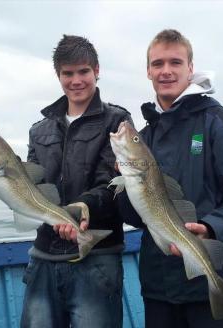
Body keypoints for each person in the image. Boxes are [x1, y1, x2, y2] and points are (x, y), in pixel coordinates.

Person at [118, 29, 223, 327]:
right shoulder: (145, 138)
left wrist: (212, 229)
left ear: (191, 68)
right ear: (148, 71)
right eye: (158, 63)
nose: (166, 71)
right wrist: (126, 185)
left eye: (175, 62)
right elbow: (137, 218)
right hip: (161, 290)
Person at [20, 35, 132, 328]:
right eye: (67, 73)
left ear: (97, 70)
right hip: (43, 256)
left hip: (97, 257)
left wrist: (82, 209)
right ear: (58, 76)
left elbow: (113, 182)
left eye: (83, 71)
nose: (76, 80)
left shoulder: (117, 122)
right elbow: (32, 186)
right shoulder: (39, 130)